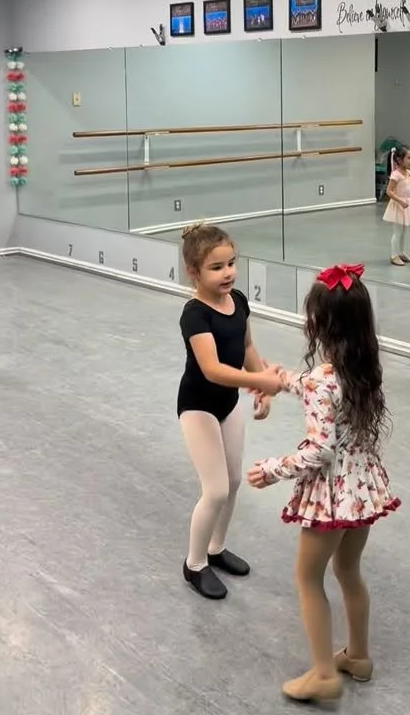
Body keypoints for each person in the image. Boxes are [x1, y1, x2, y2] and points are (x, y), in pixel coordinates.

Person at [247, 263, 399, 703]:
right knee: (349, 571)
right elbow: (321, 389)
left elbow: (319, 451)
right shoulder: (363, 367)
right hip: (362, 491)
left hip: (331, 498)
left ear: (319, 323)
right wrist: (283, 380)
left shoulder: (321, 380)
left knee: (307, 577)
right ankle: (358, 657)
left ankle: (322, 674)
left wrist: (272, 469)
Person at [177, 222, 281, 600]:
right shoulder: (195, 315)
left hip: (229, 403)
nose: (228, 273)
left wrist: (260, 385)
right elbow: (212, 369)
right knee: (216, 489)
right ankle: (194, 564)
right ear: (194, 272)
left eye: (231, 263)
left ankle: (215, 548)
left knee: (234, 481)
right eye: (216, 267)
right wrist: (261, 380)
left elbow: (247, 346)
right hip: (198, 407)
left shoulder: (238, 300)